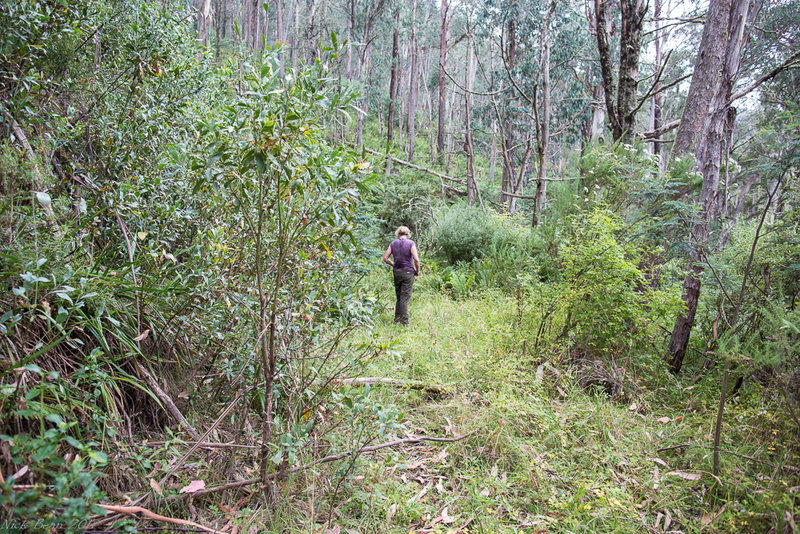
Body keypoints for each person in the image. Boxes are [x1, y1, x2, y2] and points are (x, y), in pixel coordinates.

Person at [383, 226, 420, 326]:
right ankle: (405, 322)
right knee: (405, 297)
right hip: (408, 272)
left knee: (399, 296)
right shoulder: (410, 243)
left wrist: (393, 264)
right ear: (408, 234)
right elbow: (416, 259)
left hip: (397, 272)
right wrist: (417, 271)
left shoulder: (393, 243)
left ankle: (397, 319)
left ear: (398, 234)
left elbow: (385, 258)